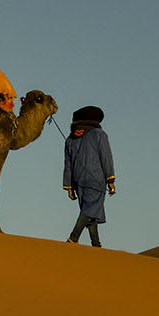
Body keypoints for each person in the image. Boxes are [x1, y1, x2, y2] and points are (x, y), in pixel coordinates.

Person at [63, 105, 115, 247]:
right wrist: (111, 179)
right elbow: (106, 157)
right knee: (89, 210)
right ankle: (73, 237)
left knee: (89, 211)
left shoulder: (69, 140)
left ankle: (96, 244)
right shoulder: (99, 134)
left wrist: (69, 186)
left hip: (78, 181)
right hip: (96, 179)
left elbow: (68, 164)